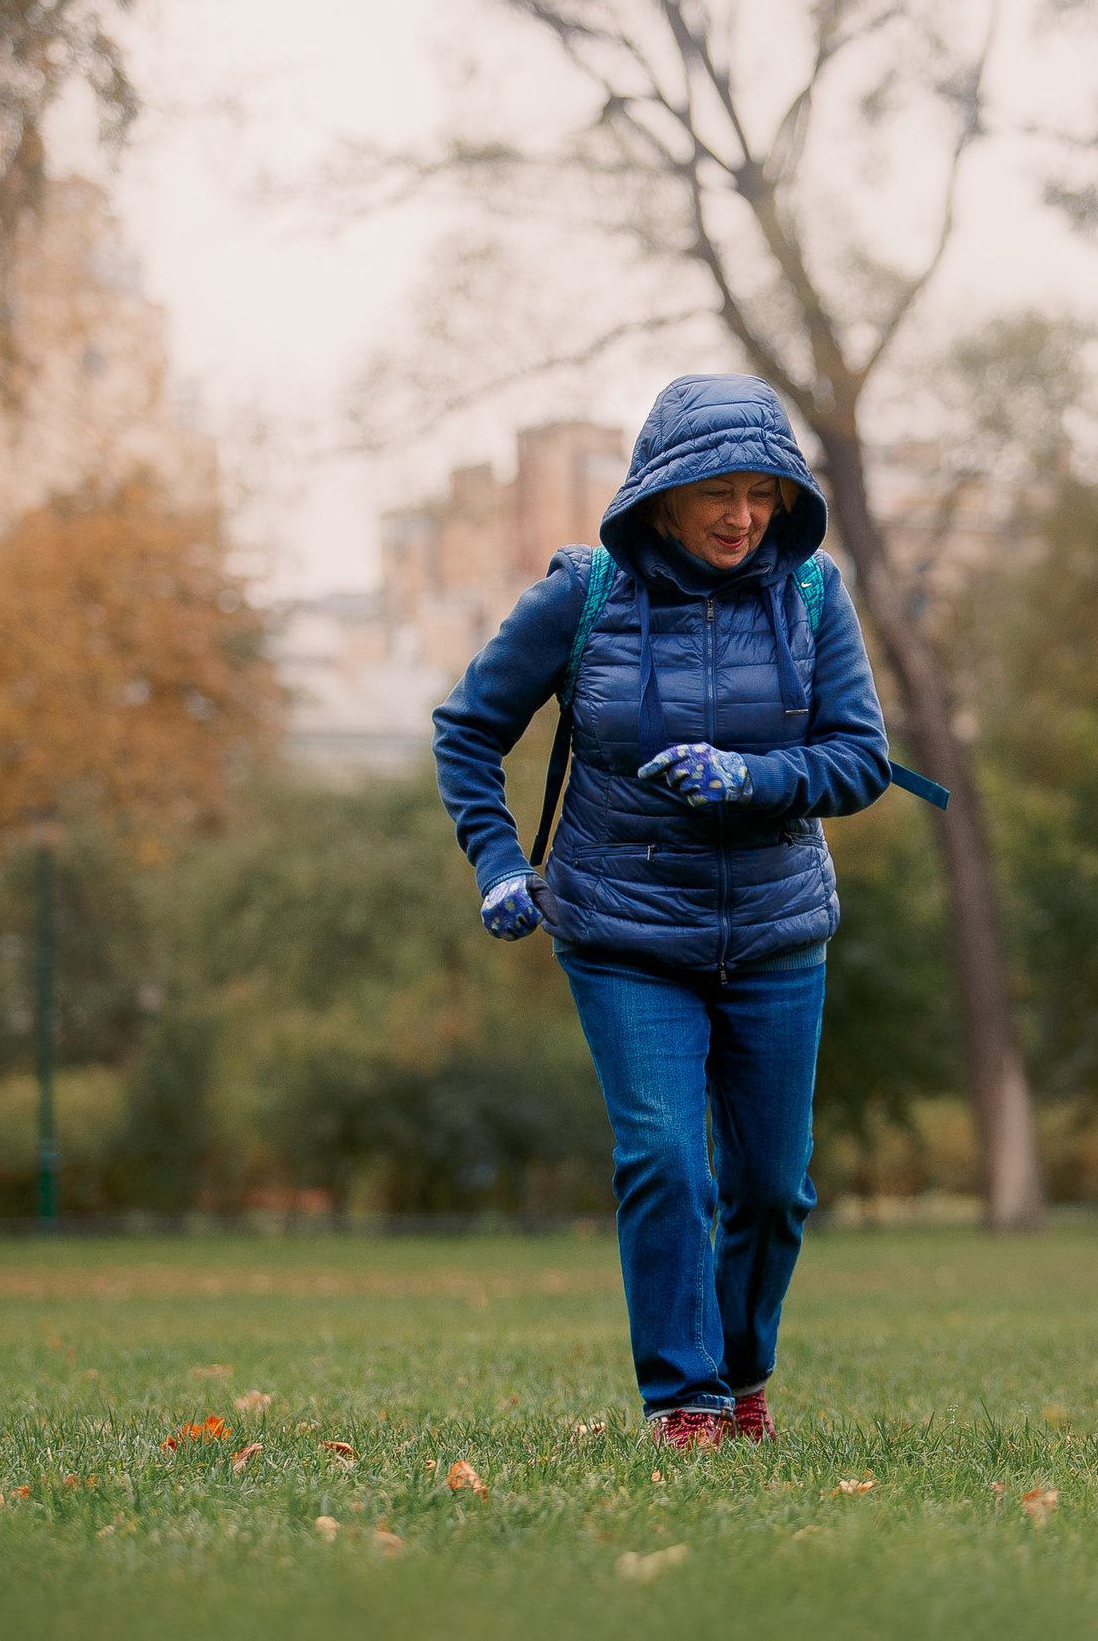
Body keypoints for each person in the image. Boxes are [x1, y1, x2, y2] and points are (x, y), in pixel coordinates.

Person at [432, 374, 895, 1448]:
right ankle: (683, 1401)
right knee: (664, 1161)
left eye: (762, 494)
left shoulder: (814, 597)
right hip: (625, 933)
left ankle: (741, 1375)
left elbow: (861, 760)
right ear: (663, 493)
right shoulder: (582, 598)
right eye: (717, 493)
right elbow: (466, 731)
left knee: (775, 1188)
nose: (741, 517)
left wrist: (756, 778)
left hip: (777, 933)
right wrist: (498, 862)